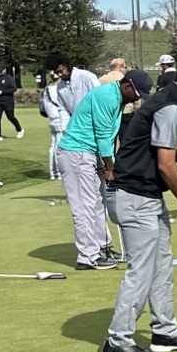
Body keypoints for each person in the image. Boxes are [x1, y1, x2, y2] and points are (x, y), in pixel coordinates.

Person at [100, 53, 177, 352]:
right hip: (133, 195)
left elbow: (167, 153)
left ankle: (165, 331)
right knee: (141, 269)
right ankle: (118, 342)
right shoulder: (170, 107)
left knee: (162, 264)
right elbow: (166, 164)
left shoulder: (172, 100)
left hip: (147, 195)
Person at [57, 68, 146, 270]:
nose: (137, 99)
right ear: (127, 85)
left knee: (98, 203)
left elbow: (110, 136)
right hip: (76, 153)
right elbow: (104, 136)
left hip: (90, 153)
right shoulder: (107, 97)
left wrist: (110, 164)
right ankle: (88, 256)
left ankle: (102, 247)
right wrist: (110, 167)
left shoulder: (118, 100)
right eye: (137, 93)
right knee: (84, 206)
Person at [0, 64, 23, 141]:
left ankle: (19, 130)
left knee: (10, 117)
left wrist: (2, 92)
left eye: (1, 70)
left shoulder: (9, 78)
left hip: (8, 101)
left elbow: (14, 89)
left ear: (4, 70)